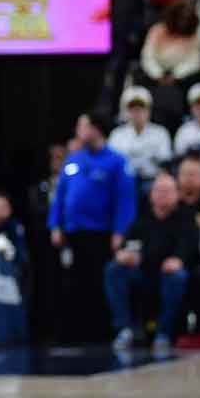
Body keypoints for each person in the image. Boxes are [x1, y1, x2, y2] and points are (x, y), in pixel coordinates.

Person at [48, 111, 137, 343]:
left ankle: (99, 333)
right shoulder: (74, 160)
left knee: (99, 284)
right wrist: (55, 225)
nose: (79, 131)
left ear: (96, 129)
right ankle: (74, 332)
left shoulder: (117, 161)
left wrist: (120, 231)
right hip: (73, 233)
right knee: (72, 285)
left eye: (83, 126)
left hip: (100, 233)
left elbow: (125, 200)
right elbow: (61, 195)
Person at [105, 173, 198, 353]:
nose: (162, 194)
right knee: (114, 269)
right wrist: (124, 254)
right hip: (144, 274)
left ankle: (163, 333)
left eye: (167, 191)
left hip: (168, 276)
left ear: (177, 194)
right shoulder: (141, 219)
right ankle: (125, 329)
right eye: (158, 190)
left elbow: (187, 249)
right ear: (151, 194)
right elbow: (127, 247)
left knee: (176, 276)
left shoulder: (185, 218)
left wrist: (177, 260)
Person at [108, 86, 172, 187]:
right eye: (132, 109)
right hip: (124, 182)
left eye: (141, 108)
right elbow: (112, 164)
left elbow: (165, 165)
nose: (136, 113)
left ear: (148, 110)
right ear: (125, 111)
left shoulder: (160, 133)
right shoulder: (116, 135)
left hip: (152, 181)